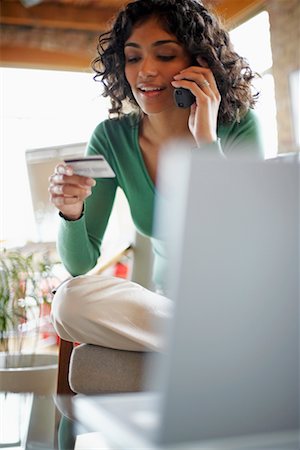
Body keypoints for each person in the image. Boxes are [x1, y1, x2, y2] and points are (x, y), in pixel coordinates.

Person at [50, 0, 264, 353]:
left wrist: (207, 141)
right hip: (167, 308)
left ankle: (207, 343)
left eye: (164, 56)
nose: (145, 70)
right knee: (70, 300)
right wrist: (71, 212)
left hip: (238, 300)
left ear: (201, 63)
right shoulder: (111, 138)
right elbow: (80, 265)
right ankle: (206, 346)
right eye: (133, 58)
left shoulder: (239, 128)